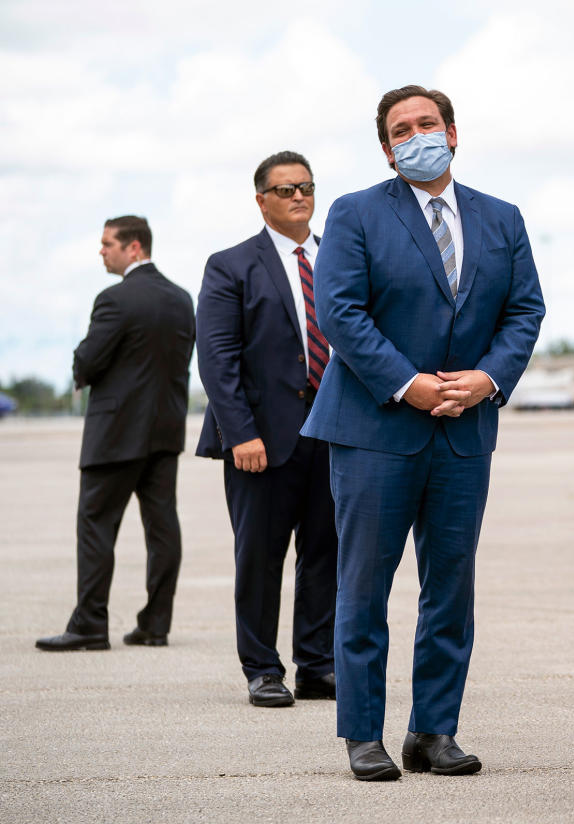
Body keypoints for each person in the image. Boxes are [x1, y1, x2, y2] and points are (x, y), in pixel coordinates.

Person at [301, 85, 544, 781]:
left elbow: (525, 310)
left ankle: (433, 731)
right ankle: (363, 735)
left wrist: (488, 378)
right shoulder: (355, 213)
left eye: (426, 124)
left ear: (453, 132)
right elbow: (340, 312)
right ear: (386, 148)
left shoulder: (503, 218)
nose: (416, 136)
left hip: (465, 431)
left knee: (450, 590)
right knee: (364, 588)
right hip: (377, 427)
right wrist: (409, 382)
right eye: (400, 130)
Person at [195, 151, 338, 708]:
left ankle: (318, 666)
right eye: (284, 189)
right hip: (261, 438)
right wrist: (240, 433)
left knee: (326, 552)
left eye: (305, 186)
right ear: (261, 200)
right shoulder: (231, 265)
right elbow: (217, 358)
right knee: (259, 556)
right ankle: (262, 669)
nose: (298, 196)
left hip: (334, 432)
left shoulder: (340, 258)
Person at [36, 217, 194, 651]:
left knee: (96, 525)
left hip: (116, 434)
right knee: (162, 528)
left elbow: (89, 358)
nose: (101, 251)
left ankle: (90, 623)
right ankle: (155, 623)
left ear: (135, 248)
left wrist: (80, 368)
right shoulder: (182, 300)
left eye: (108, 244)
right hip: (164, 431)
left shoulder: (115, 299)